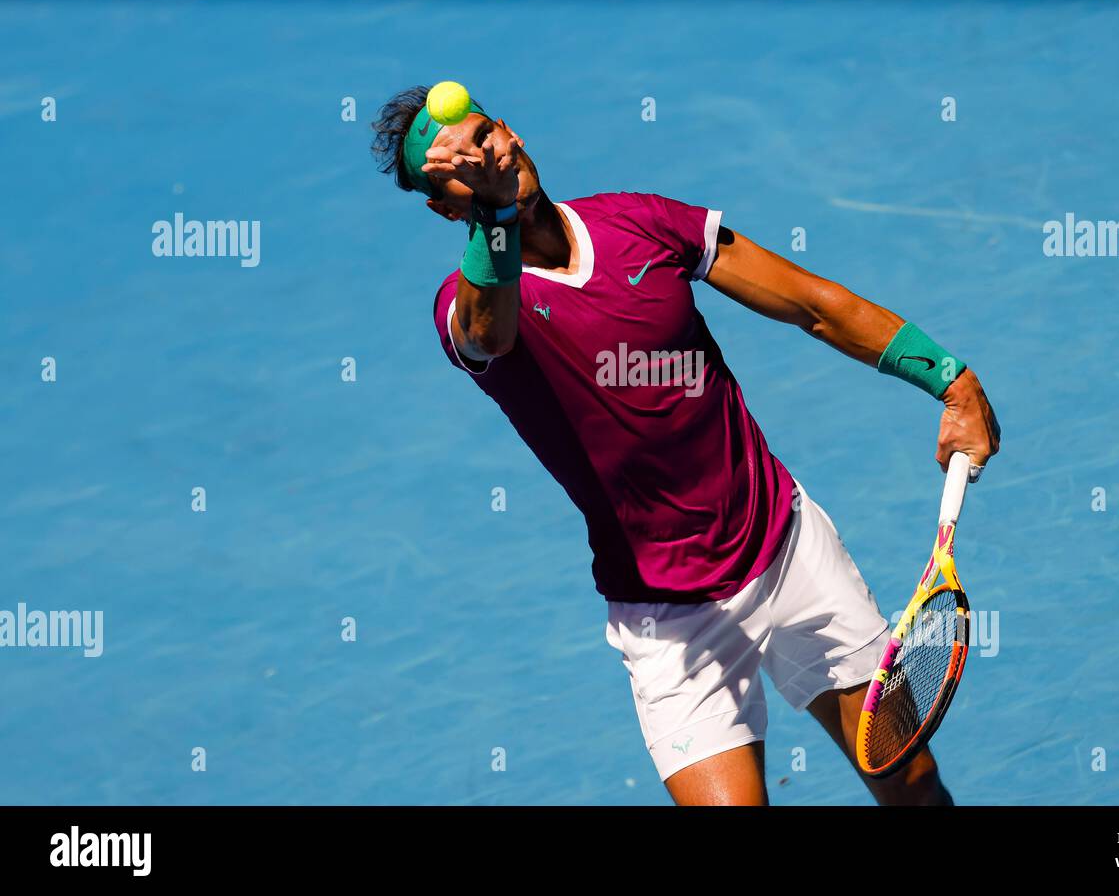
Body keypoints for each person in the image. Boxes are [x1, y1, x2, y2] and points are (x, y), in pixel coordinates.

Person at [371, 86, 1001, 805]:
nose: (486, 156)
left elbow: (810, 303)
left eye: (486, 133)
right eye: (459, 167)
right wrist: (498, 217)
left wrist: (952, 379)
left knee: (912, 781)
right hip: (668, 620)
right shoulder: (467, 303)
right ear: (446, 207)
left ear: (511, 131)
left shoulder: (642, 222)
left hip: (785, 548)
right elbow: (487, 332)